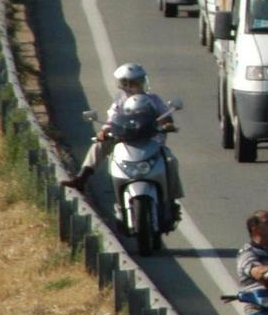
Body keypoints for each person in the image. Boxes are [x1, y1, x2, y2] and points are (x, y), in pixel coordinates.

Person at [63, 63, 183, 218]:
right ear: (123, 84)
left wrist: (167, 124)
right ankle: (82, 178)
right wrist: (104, 132)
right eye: (133, 82)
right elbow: (111, 120)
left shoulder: (153, 99)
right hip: (125, 141)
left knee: (170, 160)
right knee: (99, 146)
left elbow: (166, 115)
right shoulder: (119, 102)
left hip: (152, 141)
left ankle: (172, 200)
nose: (137, 85)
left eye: (139, 81)